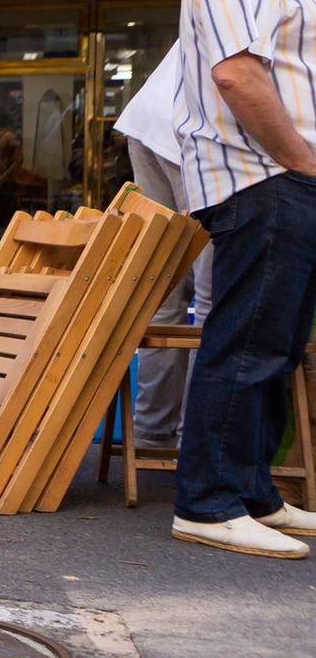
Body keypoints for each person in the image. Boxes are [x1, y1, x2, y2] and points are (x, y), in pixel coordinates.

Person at [168, 0, 316, 560]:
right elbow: (236, 74)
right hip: (261, 176)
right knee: (247, 341)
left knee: (277, 344)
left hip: (280, 176)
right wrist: (301, 160)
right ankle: (207, 501)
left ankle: (252, 492)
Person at [110, 44, 213, 451]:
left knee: (163, 286)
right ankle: (197, 441)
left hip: (150, 120)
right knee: (213, 295)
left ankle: (153, 430)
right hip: (195, 131)